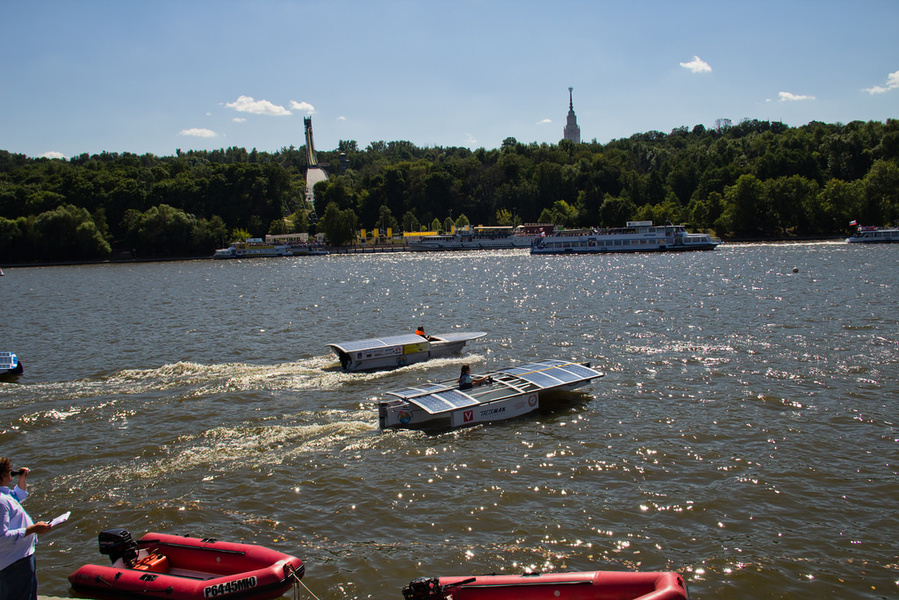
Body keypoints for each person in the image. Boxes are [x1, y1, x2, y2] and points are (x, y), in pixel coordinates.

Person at [0, 458, 51, 600]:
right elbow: (1, 537)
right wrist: (33, 529)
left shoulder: (4, 494)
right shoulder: (0, 501)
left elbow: (17, 496)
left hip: (21, 556)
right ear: (3, 475)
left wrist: (22, 479)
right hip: (14, 562)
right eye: (10, 471)